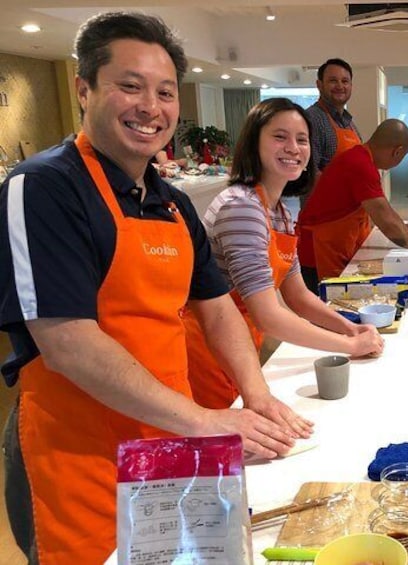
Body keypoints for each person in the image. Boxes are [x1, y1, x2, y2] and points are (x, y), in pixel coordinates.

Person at [0, 13, 310, 564]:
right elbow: (67, 342)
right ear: (84, 88)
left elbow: (218, 311)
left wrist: (255, 394)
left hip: (166, 437)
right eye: (129, 85)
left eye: (165, 92)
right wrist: (207, 421)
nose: (151, 106)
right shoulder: (44, 187)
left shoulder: (171, 202)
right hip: (80, 454)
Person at [184, 98, 385, 409]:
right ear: (254, 143)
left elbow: (298, 296)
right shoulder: (241, 207)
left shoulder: (277, 210)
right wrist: (350, 345)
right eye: (280, 137)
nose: (293, 147)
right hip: (209, 351)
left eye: (301, 139)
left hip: (241, 344)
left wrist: (349, 326)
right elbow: (269, 316)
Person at [297, 118, 408, 293]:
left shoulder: (362, 159)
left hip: (335, 243)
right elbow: (387, 222)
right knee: (330, 306)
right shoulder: (361, 165)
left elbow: (386, 209)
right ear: (397, 152)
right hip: (318, 252)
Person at [304, 58, 362, 176]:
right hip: (326, 194)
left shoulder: (349, 122)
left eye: (345, 81)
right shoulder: (312, 119)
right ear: (319, 85)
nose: (340, 86)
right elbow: (309, 175)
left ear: (351, 85)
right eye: (333, 80)